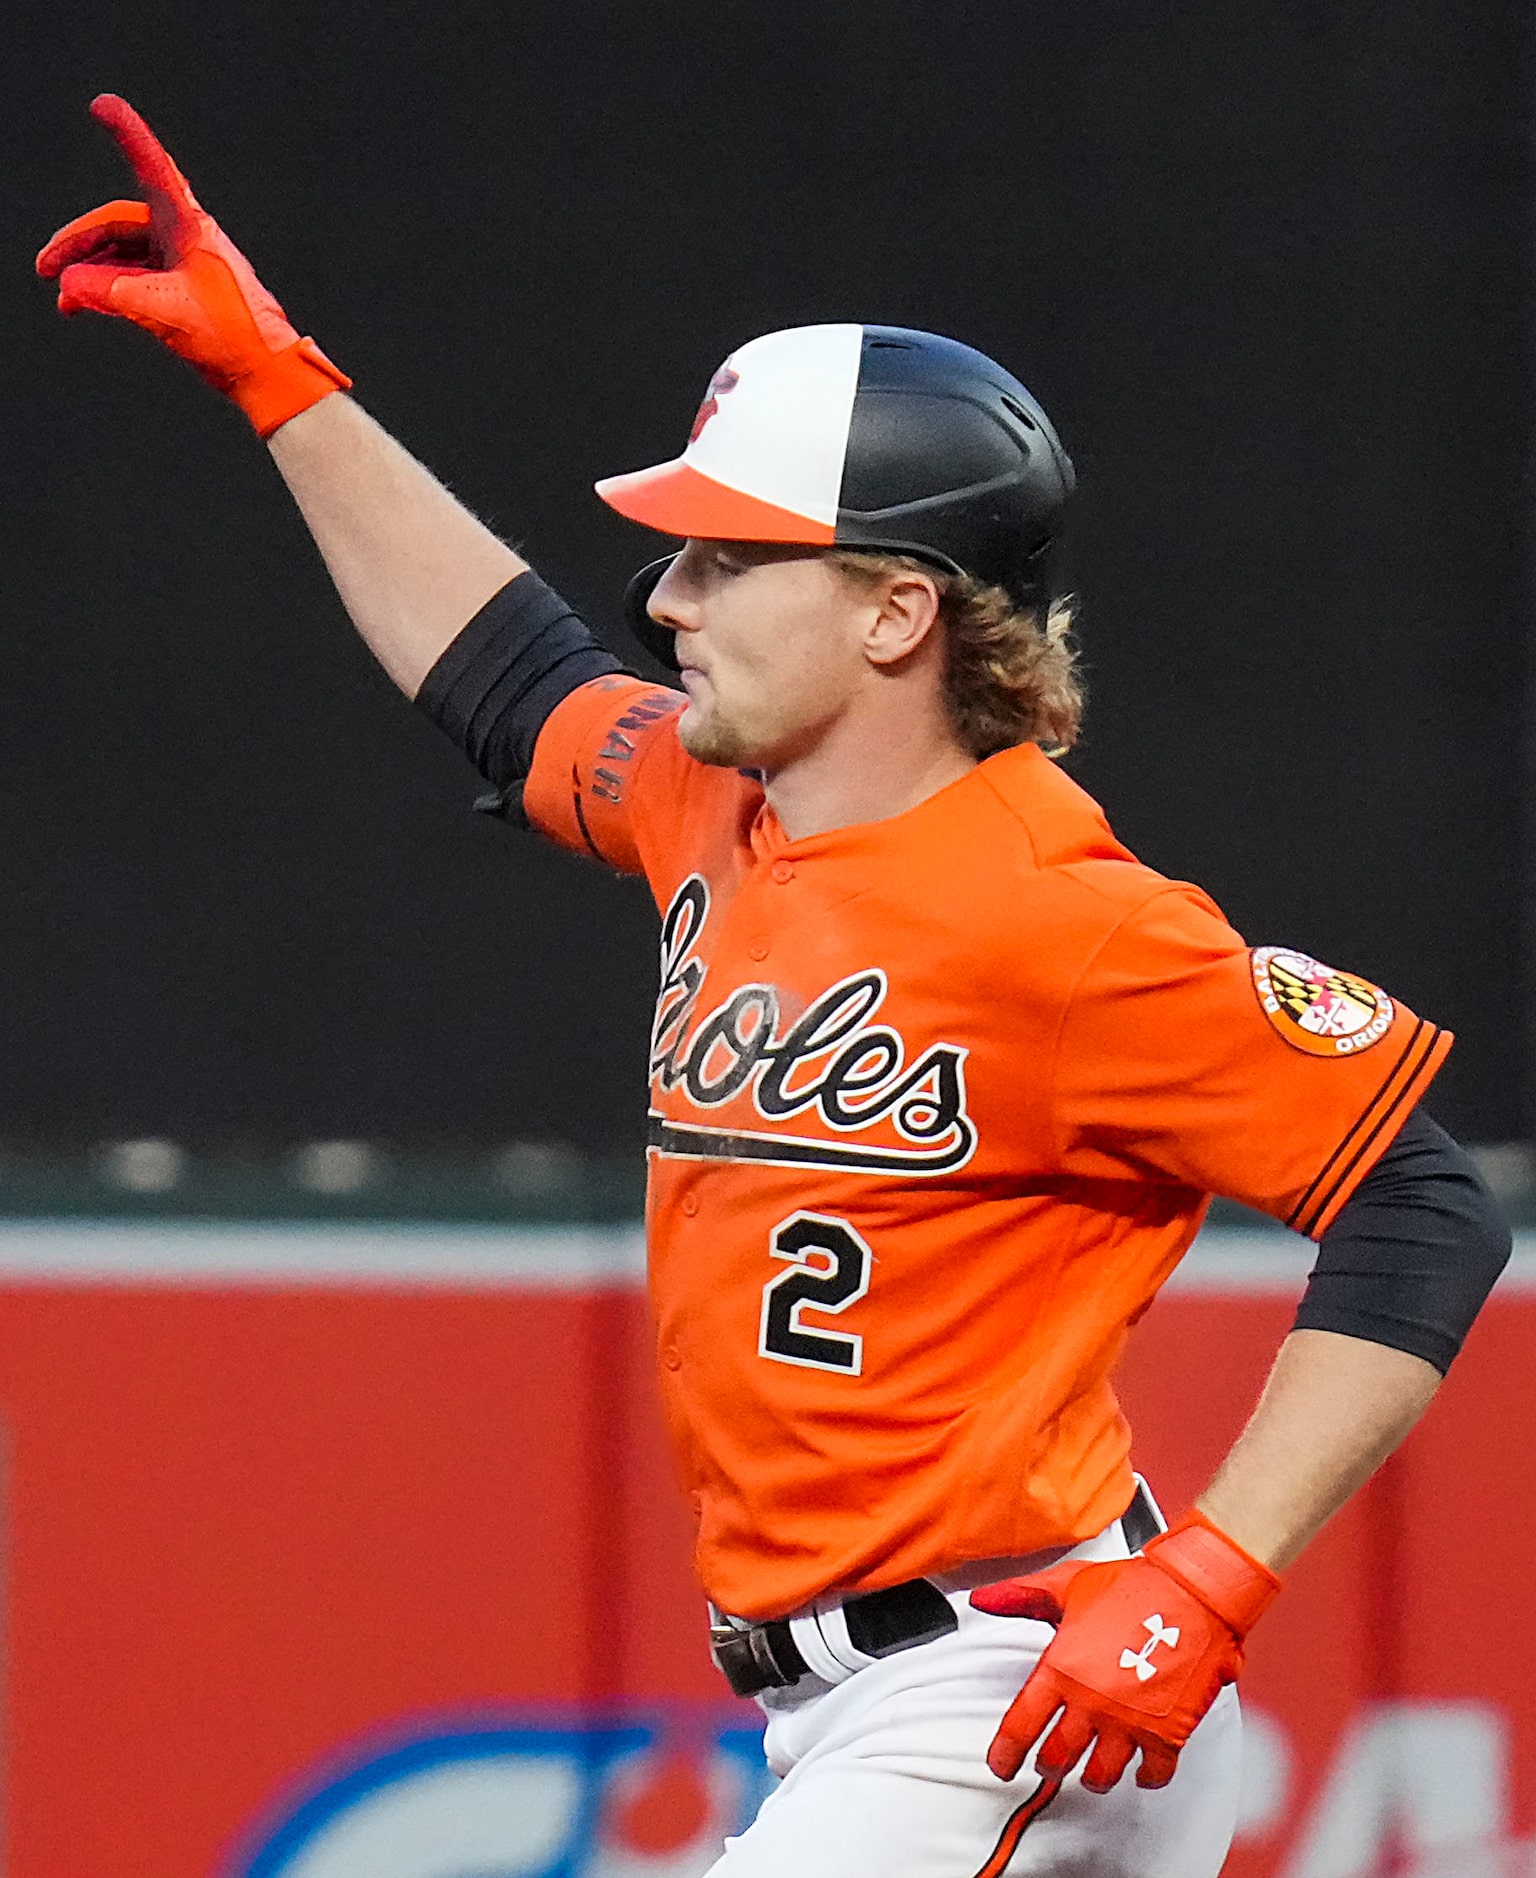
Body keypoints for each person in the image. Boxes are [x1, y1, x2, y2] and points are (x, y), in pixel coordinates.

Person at [38, 95, 1510, 1878]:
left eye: (732, 558)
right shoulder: (707, 804)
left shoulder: (1072, 923)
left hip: (1003, 1680)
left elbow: (1421, 1203)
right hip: (841, 1696)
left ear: (897, 612)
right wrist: (285, 387)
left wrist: (1218, 1565)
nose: (672, 594)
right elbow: (508, 672)